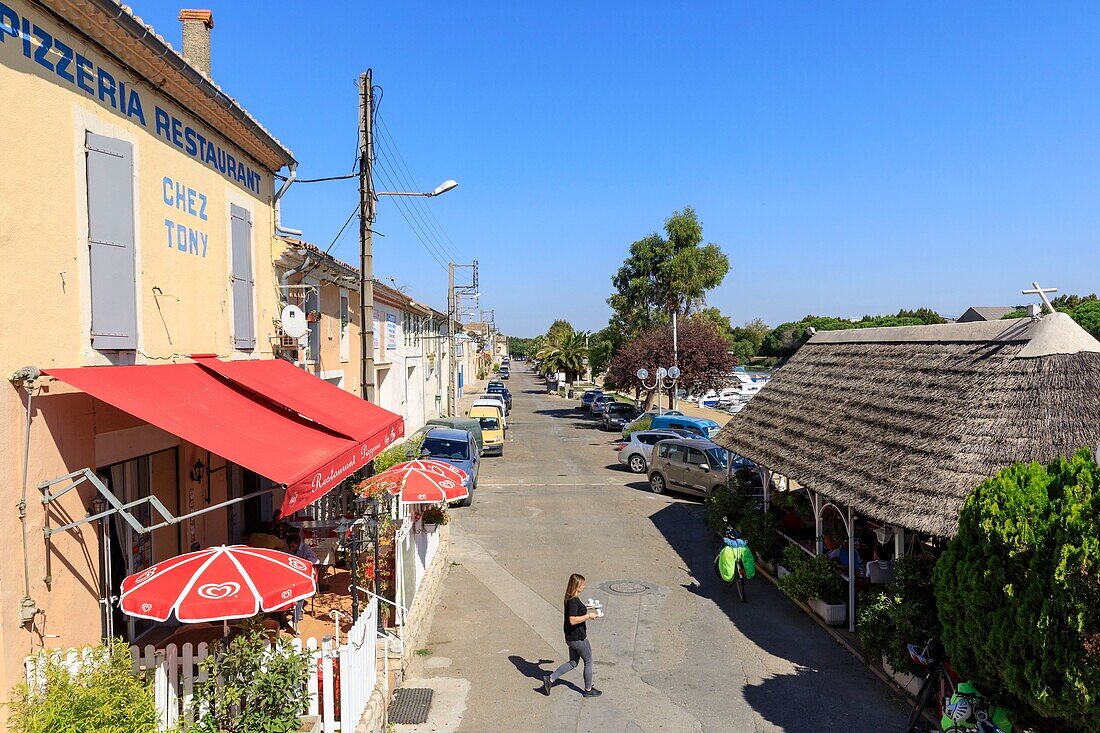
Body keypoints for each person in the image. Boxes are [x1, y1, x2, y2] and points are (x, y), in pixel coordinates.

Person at [543, 573, 601, 698]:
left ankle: (550, 679)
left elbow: (576, 610)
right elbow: (573, 620)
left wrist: (587, 607)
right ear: (576, 586)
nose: (584, 587)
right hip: (578, 638)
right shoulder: (573, 601)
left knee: (573, 663)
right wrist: (589, 615)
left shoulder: (570, 598)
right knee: (588, 662)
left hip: (570, 638)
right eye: (582, 585)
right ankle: (588, 689)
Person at [286, 534, 318, 633]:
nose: (291, 549)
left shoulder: (306, 549)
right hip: (292, 576)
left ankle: (295, 619)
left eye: (292, 546)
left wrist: (303, 563)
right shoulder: (289, 549)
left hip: (304, 576)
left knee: (299, 595)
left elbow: (316, 560)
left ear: (297, 543)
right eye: (290, 546)